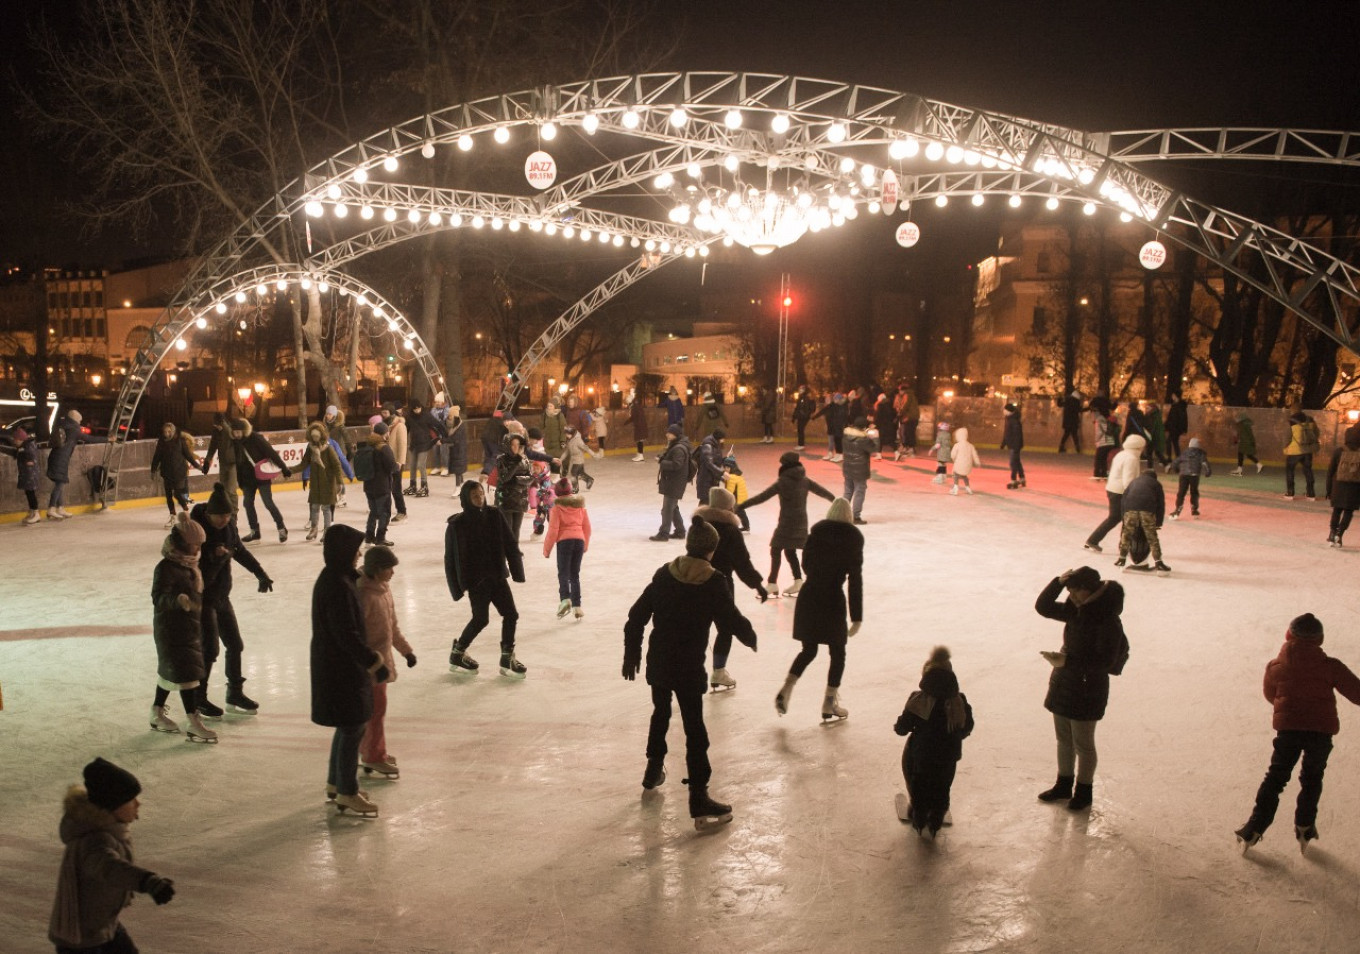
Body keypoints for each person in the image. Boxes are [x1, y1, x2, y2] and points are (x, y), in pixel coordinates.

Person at [622, 516, 757, 829]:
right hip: (688, 666)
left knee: (661, 713)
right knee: (695, 730)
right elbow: (731, 618)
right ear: (711, 551)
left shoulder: (665, 574)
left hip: (659, 662)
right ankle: (698, 798)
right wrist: (750, 637)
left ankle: (653, 769)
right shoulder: (713, 582)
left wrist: (632, 654)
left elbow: (636, 618)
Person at [1235, 613, 1360, 851]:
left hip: (1288, 732)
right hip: (1320, 734)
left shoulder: (1276, 667)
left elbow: (1271, 695)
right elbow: (1357, 693)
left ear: (1288, 635)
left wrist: (1290, 711)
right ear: (1320, 640)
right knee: (1312, 779)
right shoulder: (1331, 667)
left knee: (1275, 778)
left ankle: (1254, 826)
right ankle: (1305, 826)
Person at [48, 758, 176, 953]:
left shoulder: (111, 829)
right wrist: (147, 881)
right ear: (112, 805)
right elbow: (111, 868)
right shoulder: (95, 841)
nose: (138, 804)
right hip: (82, 940)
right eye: (130, 800)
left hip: (104, 926)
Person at [1034, 565, 1128, 811]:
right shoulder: (1076, 609)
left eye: (1077, 592)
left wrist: (1067, 662)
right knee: (1063, 738)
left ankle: (1083, 792)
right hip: (1065, 681)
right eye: (1070, 592)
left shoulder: (1107, 619)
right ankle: (1063, 785)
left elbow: (1105, 662)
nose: (1072, 597)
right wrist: (1058, 581)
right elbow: (1042, 607)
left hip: (1089, 688)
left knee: (1083, 744)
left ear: (1091, 589)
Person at [311, 524, 390, 817]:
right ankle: (347, 791)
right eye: (355, 548)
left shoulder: (337, 578)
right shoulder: (338, 585)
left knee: (347, 726)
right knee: (353, 726)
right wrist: (372, 662)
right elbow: (346, 633)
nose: (359, 554)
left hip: (336, 664)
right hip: (341, 666)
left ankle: (336, 783)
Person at [774, 498, 863, 722]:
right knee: (838, 652)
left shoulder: (816, 533)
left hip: (809, 595)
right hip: (832, 597)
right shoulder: (853, 538)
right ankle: (829, 702)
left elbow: (805, 565)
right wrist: (857, 617)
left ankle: (786, 688)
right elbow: (855, 579)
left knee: (809, 650)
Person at [191, 483, 273, 718]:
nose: (224, 520)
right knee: (210, 650)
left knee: (235, 645)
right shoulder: (197, 532)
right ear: (209, 514)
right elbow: (198, 572)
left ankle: (234, 692)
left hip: (221, 597)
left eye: (228, 515)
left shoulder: (229, 528)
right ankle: (199, 698)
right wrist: (215, 558)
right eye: (220, 516)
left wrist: (260, 573)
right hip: (202, 598)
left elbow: (239, 551)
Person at [446, 480, 529, 677]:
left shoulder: (494, 515)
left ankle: (507, 656)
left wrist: (517, 571)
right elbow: (450, 559)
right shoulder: (457, 525)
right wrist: (456, 588)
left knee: (511, 614)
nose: (480, 499)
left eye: (481, 494)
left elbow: (510, 543)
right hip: (477, 581)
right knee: (481, 619)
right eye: (475, 496)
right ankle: (458, 652)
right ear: (467, 498)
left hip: (497, 576)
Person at [148, 513, 218, 743]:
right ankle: (193, 721)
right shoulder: (166, 567)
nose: (197, 547)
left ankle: (157, 712)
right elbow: (158, 597)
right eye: (193, 543)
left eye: (199, 544)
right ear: (181, 543)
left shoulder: (190, 564)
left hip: (187, 627)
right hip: (171, 629)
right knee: (187, 676)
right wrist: (177, 600)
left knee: (170, 674)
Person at [894, 646, 975, 838]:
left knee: (919, 782)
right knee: (942, 785)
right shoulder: (959, 701)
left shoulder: (920, 700)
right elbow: (967, 727)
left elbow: (902, 727)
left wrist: (901, 727)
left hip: (922, 753)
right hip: (949, 755)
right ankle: (936, 818)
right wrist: (954, 736)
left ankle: (919, 816)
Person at [694, 486, 769, 691]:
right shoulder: (730, 531)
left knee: (697, 628)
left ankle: (692, 671)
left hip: (696, 580)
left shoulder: (700, 525)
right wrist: (758, 585)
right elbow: (742, 563)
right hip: (721, 584)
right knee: (725, 627)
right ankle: (718, 672)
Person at [357, 545, 416, 780]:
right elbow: (356, 635)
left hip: (381, 663)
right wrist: (367, 662)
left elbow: (392, 626)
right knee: (375, 712)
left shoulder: (383, 590)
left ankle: (372, 750)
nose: (393, 573)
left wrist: (406, 652)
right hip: (369, 666)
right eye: (390, 568)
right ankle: (373, 756)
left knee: (375, 711)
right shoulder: (365, 595)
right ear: (378, 569)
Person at [741, 450, 836, 595]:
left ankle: (772, 583)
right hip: (801, 522)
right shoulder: (805, 480)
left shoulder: (783, 482)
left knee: (776, 549)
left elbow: (762, 497)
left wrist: (740, 506)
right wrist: (836, 501)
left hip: (787, 522)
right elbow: (822, 491)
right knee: (790, 551)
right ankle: (798, 581)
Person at [229, 418, 291, 543]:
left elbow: (271, 452)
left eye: (238, 432)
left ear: (243, 430)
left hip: (261, 476)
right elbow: (238, 463)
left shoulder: (255, 438)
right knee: (247, 504)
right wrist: (240, 481)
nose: (236, 434)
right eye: (234, 432)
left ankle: (281, 527)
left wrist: (284, 468)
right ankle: (255, 531)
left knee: (268, 502)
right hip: (247, 479)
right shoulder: (235, 443)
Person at [1084, 434, 1146, 553]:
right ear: (1139, 447)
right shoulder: (1131, 458)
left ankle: (1095, 541)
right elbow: (1128, 480)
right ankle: (1120, 545)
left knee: (1118, 518)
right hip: (1121, 492)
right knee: (1124, 518)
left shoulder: (1121, 454)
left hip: (1113, 489)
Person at [543, 476, 591, 620]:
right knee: (574, 575)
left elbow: (553, 530)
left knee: (563, 573)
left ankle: (565, 599)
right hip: (579, 541)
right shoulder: (580, 507)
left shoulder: (557, 509)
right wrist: (585, 545)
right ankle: (577, 606)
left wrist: (547, 550)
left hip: (565, 542)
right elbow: (587, 528)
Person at [1116, 468, 1170, 573]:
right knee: (1152, 538)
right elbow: (1160, 504)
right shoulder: (1156, 483)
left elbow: (1123, 500)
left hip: (1130, 510)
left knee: (1126, 536)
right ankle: (1159, 562)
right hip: (1147, 511)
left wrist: (1124, 517)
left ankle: (1121, 559)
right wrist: (1158, 522)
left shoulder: (1133, 482)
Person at [299, 423, 344, 542]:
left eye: (316, 436)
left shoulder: (328, 449)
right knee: (314, 506)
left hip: (327, 482)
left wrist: (339, 482)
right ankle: (313, 530)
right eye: (312, 436)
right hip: (315, 483)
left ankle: (327, 533)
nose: (314, 439)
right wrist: (289, 470)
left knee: (326, 508)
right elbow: (304, 463)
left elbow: (337, 465)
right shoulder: (310, 448)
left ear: (321, 436)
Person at [358, 421, 400, 547]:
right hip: (382, 487)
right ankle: (380, 538)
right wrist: (397, 466)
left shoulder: (367, 445)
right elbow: (392, 466)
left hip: (369, 486)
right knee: (385, 512)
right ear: (385, 433)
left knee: (373, 512)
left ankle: (369, 537)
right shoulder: (383, 448)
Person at [150, 422, 201, 528]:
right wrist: (153, 470)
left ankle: (186, 513)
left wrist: (197, 466)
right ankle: (172, 515)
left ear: (173, 431)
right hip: (166, 472)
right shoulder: (161, 442)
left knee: (177, 494)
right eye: (165, 432)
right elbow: (157, 457)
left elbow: (188, 455)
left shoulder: (180, 441)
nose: (166, 434)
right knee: (168, 495)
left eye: (169, 432)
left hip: (179, 472)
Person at [651, 424, 693, 542]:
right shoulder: (675, 445)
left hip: (674, 483)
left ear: (674, 434)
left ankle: (663, 534)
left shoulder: (679, 448)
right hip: (674, 482)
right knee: (673, 508)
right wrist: (663, 458)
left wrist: (661, 461)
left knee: (667, 509)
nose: (666, 434)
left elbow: (676, 465)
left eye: (669, 432)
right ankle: (680, 531)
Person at [45, 408, 86, 520]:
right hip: (61, 459)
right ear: (76, 420)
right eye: (79, 421)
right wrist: (108, 439)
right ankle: (51, 508)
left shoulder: (63, 425)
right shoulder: (74, 429)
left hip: (55, 456)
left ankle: (60, 508)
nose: (80, 423)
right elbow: (88, 438)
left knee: (60, 483)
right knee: (59, 483)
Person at [1325, 422, 1360, 548]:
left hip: (1338, 485)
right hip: (1354, 487)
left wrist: (1328, 489)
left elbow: (1330, 472)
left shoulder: (1338, 451)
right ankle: (1340, 535)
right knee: (1348, 512)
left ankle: (1332, 533)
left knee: (1337, 510)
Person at [1, 425, 42, 524]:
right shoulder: (23, 447)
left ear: (21, 439)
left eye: (15, 440)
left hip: (30, 475)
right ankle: (32, 512)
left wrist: (29, 461)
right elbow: (14, 452)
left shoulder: (27, 447)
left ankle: (36, 513)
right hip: (27, 475)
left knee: (31, 493)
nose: (14, 442)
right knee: (29, 493)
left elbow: (31, 458)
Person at [404, 397, 445, 497]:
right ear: (412, 409)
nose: (417, 410)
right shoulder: (409, 417)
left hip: (424, 444)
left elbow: (438, 425)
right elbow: (406, 429)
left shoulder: (426, 415)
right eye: (415, 409)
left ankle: (424, 486)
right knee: (412, 465)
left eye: (418, 408)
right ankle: (413, 485)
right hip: (414, 444)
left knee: (420, 465)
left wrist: (443, 437)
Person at [841, 415, 878, 522]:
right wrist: (875, 437)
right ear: (863, 427)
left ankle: (842, 514)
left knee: (848, 491)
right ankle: (855, 516)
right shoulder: (863, 439)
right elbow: (874, 449)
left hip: (847, 467)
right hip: (860, 469)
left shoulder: (846, 436)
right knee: (859, 491)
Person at [201, 412, 239, 516]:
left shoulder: (230, 431)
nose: (216, 426)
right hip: (223, 463)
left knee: (231, 490)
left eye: (217, 424)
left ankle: (234, 513)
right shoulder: (216, 432)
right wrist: (207, 460)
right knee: (224, 490)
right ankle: (226, 510)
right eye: (214, 424)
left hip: (233, 464)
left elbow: (239, 443)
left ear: (222, 422)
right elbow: (212, 446)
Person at [1282, 408, 1320, 501]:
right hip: (1307, 450)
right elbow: (1317, 433)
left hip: (1294, 451)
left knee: (1290, 470)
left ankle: (1290, 493)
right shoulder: (1310, 420)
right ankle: (1311, 494)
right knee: (1308, 471)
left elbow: (1287, 437)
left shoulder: (1291, 421)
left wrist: (1285, 447)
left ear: (1293, 410)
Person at [1170, 437, 1211, 519]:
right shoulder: (1200, 453)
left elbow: (1175, 462)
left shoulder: (1184, 453)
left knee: (1181, 493)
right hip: (1194, 475)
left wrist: (1176, 470)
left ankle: (1177, 509)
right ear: (1198, 445)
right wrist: (1208, 472)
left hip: (1183, 475)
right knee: (1194, 492)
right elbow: (1205, 463)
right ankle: (1194, 509)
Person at [561, 424, 601, 492]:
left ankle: (575, 489)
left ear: (572, 433)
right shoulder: (569, 440)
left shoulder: (578, 441)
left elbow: (586, 448)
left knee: (573, 473)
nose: (566, 435)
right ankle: (589, 480)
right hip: (573, 460)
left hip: (579, 460)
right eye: (566, 434)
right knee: (580, 473)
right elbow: (567, 452)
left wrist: (594, 455)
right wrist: (560, 459)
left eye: (568, 434)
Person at [812, 391, 849, 461]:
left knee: (838, 441)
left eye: (836, 399)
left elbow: (844, 417)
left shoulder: (843, 406)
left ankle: (840, 455)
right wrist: (814, 417)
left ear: (839, 399)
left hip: (840, 426)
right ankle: (837, 454)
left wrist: (844, 426)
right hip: (834, 426)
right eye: (834, 399)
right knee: (836, 440)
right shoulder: (834, 405)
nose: (835, 400)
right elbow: (824, 411)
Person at [695, 427, 727, 505]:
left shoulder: (715, 445)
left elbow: (716, 461)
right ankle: (699, 517)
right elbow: (709, 463)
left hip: (712, 479)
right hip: (706, 479)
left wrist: (727, 459)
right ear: (718, 438)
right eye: (723, 439)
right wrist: (722, 473)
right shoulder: (708, 446)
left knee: (710, 503)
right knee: (705, 502)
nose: (723, 441)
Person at [948, 425, 981, 496]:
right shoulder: (970, 445)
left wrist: (954, 460)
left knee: (955, 474)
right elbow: (975, 455)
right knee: (964, 476)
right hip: (967, 466)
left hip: (959, 465)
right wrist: (977, 462)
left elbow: (952, 455)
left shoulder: (957, 445)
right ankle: (968, 487)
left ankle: (955, 487)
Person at [722, 454, 750, 533]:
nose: (725, 469)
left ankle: (731, 526)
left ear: (732, 468)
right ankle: (746, 526)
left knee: (731, 512)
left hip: (737, 499)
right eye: (725, 467)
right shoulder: (737, 474)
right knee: (741, 513)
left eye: (727, 468)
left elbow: (730, 491)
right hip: (741, 497)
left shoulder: (732, 477)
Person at [444, 401, 469, 487]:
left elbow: (454, 438)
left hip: (459, 450)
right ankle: (461, 484)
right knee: (458, 470)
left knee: (458, 470)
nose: (449, 418)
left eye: (450, 416)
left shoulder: (460, 427)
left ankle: (458, 487)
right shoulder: (454, 426)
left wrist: (443, 441)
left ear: (455, 417)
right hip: (456, 450)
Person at [1001, 402, 1026, 489]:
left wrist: (1015, 446)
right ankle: (1022, 478)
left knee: (1013, 463)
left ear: (1008, 411)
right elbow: (1007, 433)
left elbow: (1017, 435)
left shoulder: (1014, 420)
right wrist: (1004, 443)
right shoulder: (1008, 419)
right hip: (1012, 444)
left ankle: (1013, 479)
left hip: (1015, 445)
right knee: (1017, 461)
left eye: (1004, 409)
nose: (1003, 411)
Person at [1092, 406, 1120, 480]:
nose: (1092, 415)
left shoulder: (1099, 420)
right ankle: (1103, 473)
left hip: (1104, 442)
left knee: (1098, 458)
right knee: (1103, 458)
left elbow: (1100, 433)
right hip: (1109, 442)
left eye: (1093, 413)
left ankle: (1097, 474)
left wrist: (1096, 440)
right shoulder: (1104, 419)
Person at [893, 385, 920, 460]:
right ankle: (908, 448)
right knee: (907, 432)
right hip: (910, 417)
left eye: (900, 390)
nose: (899, 392)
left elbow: (905, 405)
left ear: (903, 390)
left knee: (909, 433)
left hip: (909, 417)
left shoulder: (907, 395)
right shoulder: (910, 395)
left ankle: (911, 449)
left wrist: (899, 413)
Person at [872, 392, 896, 460]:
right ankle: (896, 452)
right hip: (890, 424)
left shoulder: (881, 405)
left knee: (881, 440)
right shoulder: (890, 404)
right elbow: (894, 414)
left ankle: (879, 455)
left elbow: (879, 416)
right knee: (889, 440)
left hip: (883, 425)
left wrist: (875, 423)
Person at [1165, 393, 1189, 459]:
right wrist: (1167, 426)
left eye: (1173, 395)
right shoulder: (1174, 405)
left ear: (1176, 396)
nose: (1172, 397)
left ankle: (1170, 458)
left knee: (1169, 442)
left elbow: (1183, 418)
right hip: (1173, 427)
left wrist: (1184, 429)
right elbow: (1170, 417)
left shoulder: (1180, 406)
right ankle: (1177, 457)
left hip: (1176, 428)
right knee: (1174, 443)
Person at [791, 385, 815, 450]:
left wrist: (805, 415)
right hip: (801, 416)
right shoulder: (801, 397)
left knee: (800, 429)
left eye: (801, 389)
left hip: (803, 417)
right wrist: (794, 417)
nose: (799, 390)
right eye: (799, 389)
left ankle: (801, 445)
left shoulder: (805, 398)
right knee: (800, 429)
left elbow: (803, 408)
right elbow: (797, 408)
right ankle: (800, 444)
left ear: (804, 390)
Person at [629, 388, 649, 462]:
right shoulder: (635, 404)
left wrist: (627, 422)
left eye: (632, 392)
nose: (630, 393)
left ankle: (640, 455)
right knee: (638, 440)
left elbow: (635, 416)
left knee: (640, 440)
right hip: (639, 425)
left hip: (640, 425)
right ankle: (639, 454)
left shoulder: (636, 405)